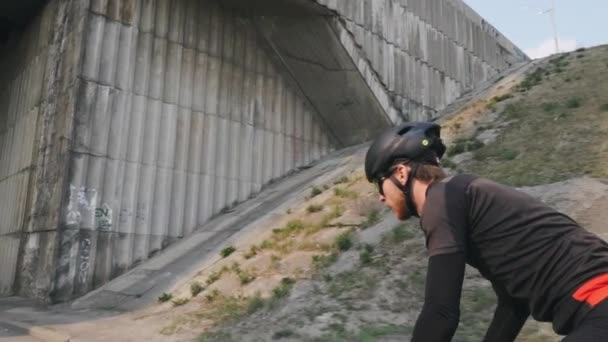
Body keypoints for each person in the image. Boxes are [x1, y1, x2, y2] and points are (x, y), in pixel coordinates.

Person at [364, 122, 608, 341]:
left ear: (401, 173)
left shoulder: (441, 199)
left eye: (379, 182)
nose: (381, 197)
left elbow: (440, 312)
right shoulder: (465, 197)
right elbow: (514, 304)